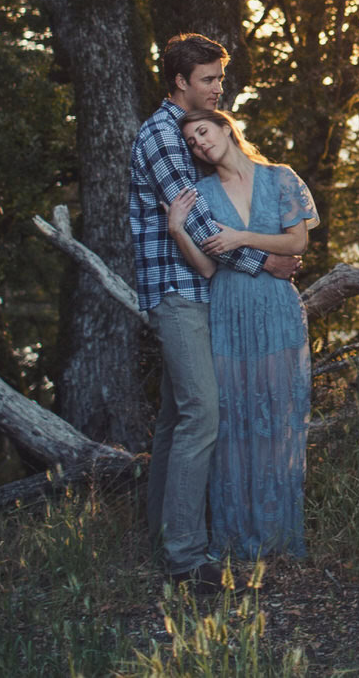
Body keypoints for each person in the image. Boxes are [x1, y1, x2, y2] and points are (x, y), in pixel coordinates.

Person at [128, 33, 303, 591]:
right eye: (208, 79)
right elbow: (202, 224)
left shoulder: (184, 134)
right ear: (180, 81)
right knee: (203, 412)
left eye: (219, 79)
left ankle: (161, 534)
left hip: (201, 288)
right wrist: (267, 262)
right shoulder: (161, 135)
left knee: (178, 416)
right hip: (179, 290)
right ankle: (183, 557)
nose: (217, 88)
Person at [164, 107, 316, 560]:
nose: (200, 144)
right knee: (232, 422)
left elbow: (298, 243)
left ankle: (277, 538)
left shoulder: (281, 177)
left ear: (227, 129)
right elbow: (209, 266)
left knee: (278, 419)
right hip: (228, 309)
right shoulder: (203, 194)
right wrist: (177, 229)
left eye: (204, 132)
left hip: (276, 308)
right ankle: (234, 541)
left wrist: (241, 238)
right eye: (192, 142)